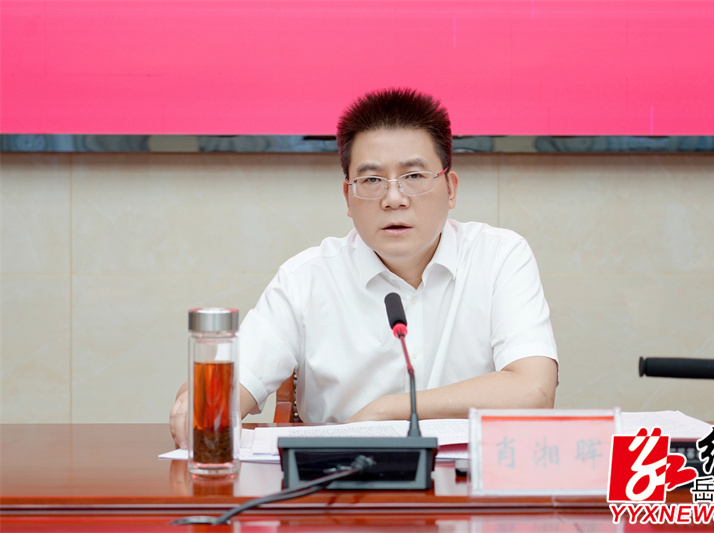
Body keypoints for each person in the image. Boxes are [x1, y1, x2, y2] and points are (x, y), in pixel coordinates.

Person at [170, 88, 558, 449]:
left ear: (451, 188)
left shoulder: (499, 256)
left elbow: (534, 390)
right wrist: (202, 411)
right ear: (348, 195)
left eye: (414, 176)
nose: (394, 198)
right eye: (372, 179)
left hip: (467, 484)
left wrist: (385, 412)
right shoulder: (306, 279)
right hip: (341, 485)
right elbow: (212, 405)